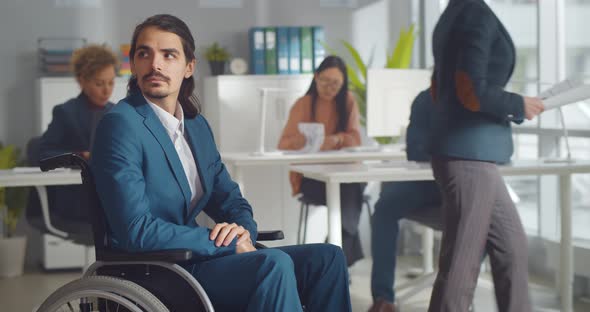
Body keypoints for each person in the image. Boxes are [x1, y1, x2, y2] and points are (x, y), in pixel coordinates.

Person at [91, 14, 352, 312]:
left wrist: (241, 232)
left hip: (197, 261)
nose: (156, 65)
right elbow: (136, 229)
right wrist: (224, 243)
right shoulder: (121, 124)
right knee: (272, 264)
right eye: (144, 54)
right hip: (156, 271)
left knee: (328, 258)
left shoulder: (196, 127)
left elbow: (230, 199)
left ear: (189, 67)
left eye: (169, 55)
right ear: (134, 65)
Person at [428, 1, 545, 311]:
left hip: (469, 152)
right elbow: (470, 91)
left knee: (512, 248)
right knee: (461, 265)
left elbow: (438, 88)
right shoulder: (473, 13)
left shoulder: (453, 12)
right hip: (468, 155)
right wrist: (519, 104)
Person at [278, 55, 365, 266]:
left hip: (342, 175)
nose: (329, 87)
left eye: (335, 83)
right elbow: (284, 143)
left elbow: (355, 139)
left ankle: (332, 260)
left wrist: (336, 139)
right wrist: (308, 140)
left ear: (343, 83)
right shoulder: (304, 103)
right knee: (352, 192)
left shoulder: (348, 102)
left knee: (352, 187)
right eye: (325, 81)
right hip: (311, 179)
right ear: (316, 77)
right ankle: (338, 259)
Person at [369, 90, 442, 312]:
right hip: (425, 182)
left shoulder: (477, 96)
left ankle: (459, 284)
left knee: (485, 219)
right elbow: (415, 149)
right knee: (383, 208)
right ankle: (383, 299)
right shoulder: (425, 99)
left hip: (465, 182)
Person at [34, 44, 117, 222]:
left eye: (111, 82)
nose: (107, 90)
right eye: (99, 83)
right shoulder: (66, 112)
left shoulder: (118, 113)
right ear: (82, 81)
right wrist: (79, 156)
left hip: (111, 196)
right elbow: (43, 153)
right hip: (76, 200)